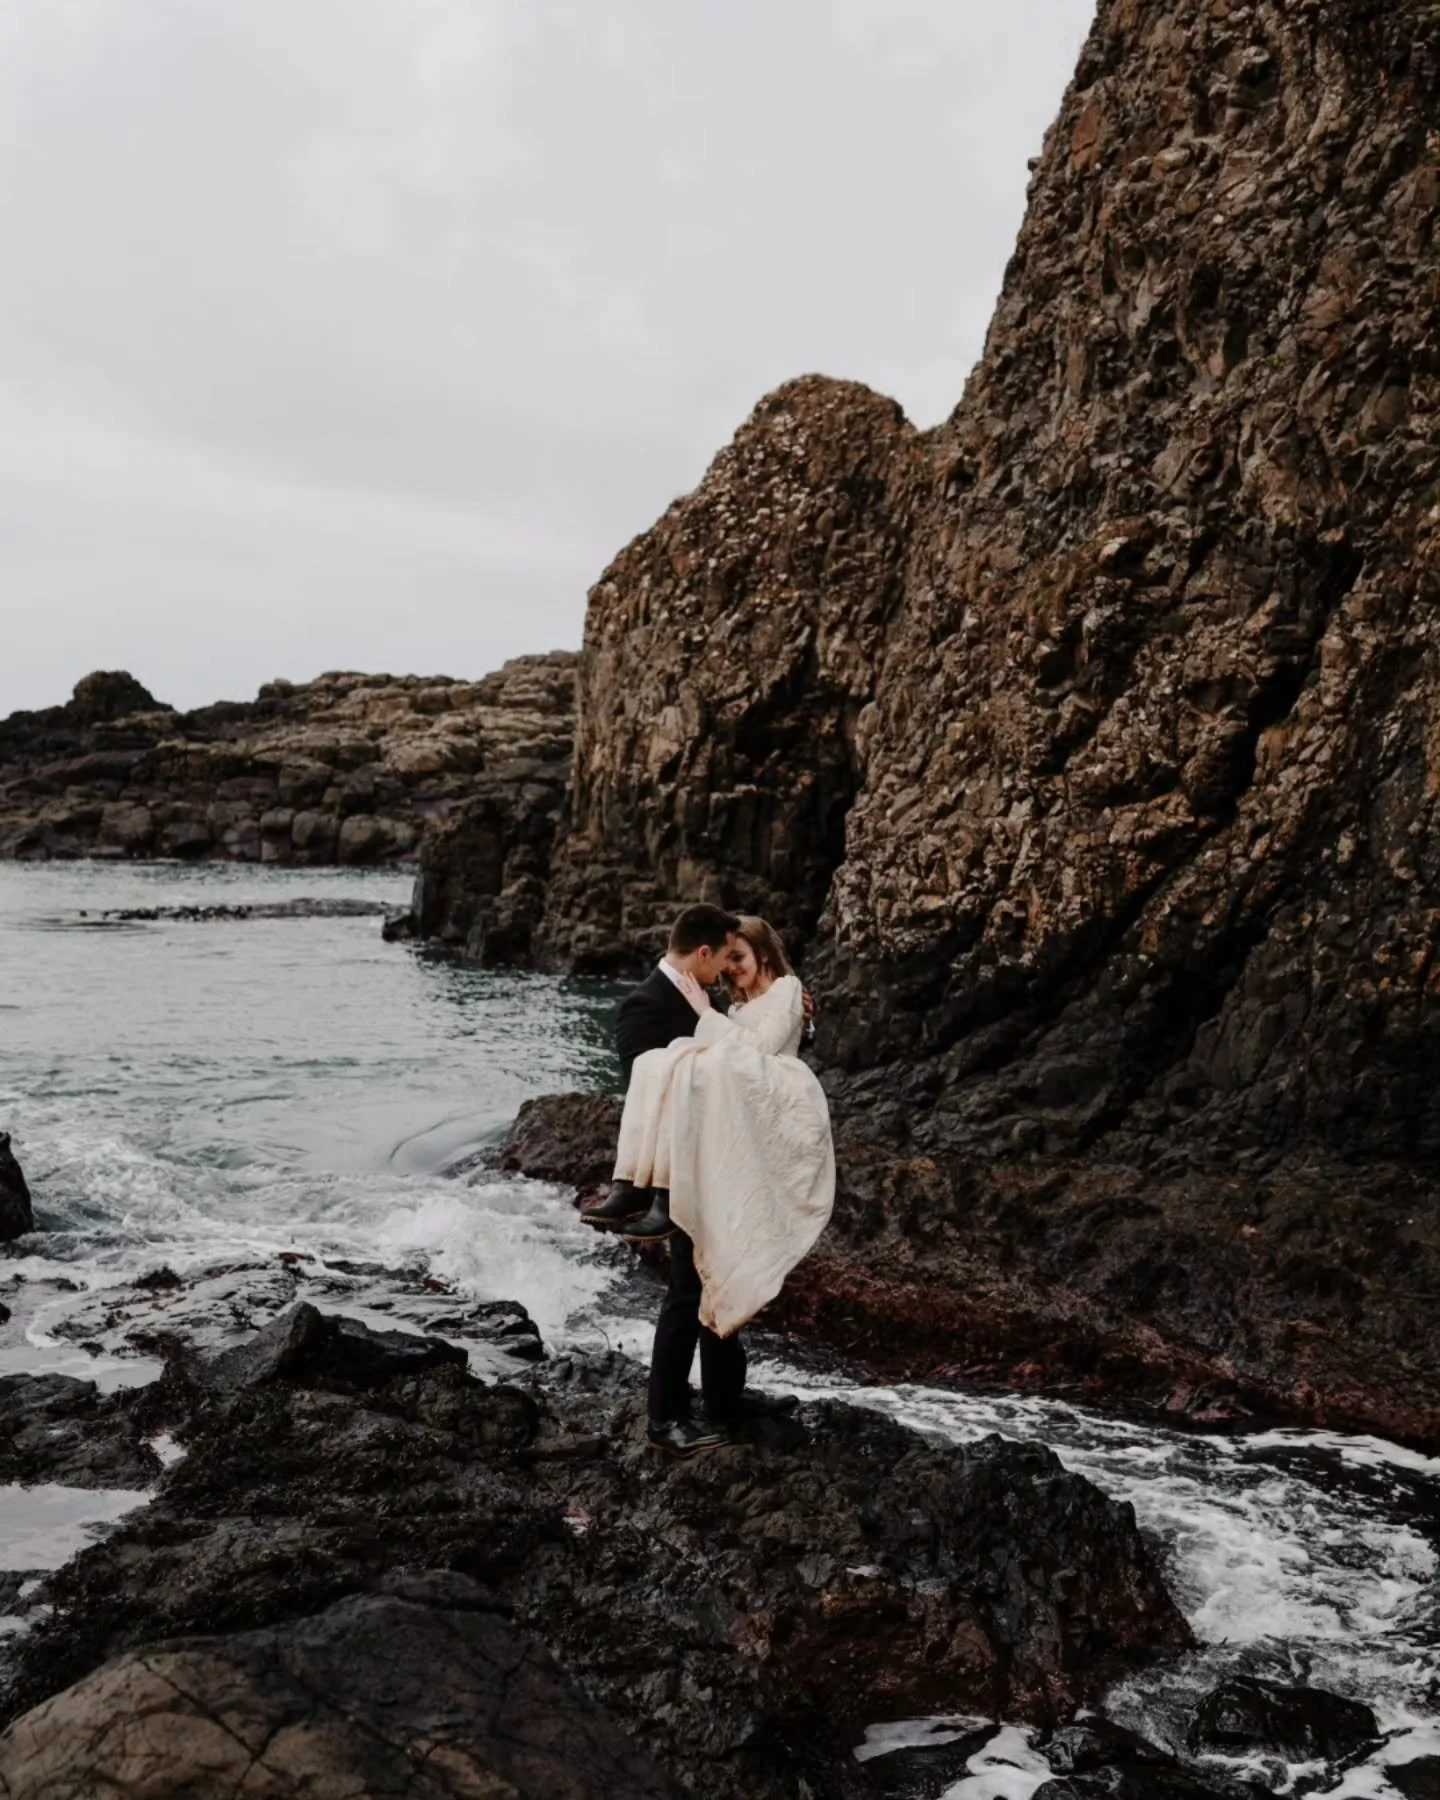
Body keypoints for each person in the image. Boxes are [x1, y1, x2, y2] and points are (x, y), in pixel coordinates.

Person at [585, 910, 833, 1457]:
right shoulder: (648, 1006)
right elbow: (647, 1089)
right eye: (725, 959)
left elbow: (752, 1066)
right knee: (686, 1292)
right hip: (689, 1168)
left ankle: (724, 1401)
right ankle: (665, 1416)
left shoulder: (726, 1004)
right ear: (704, 954)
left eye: (738, 960)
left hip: (727, 1163)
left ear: (763, 955)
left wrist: (795, 1020)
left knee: (722, 1275)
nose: (728, 971)